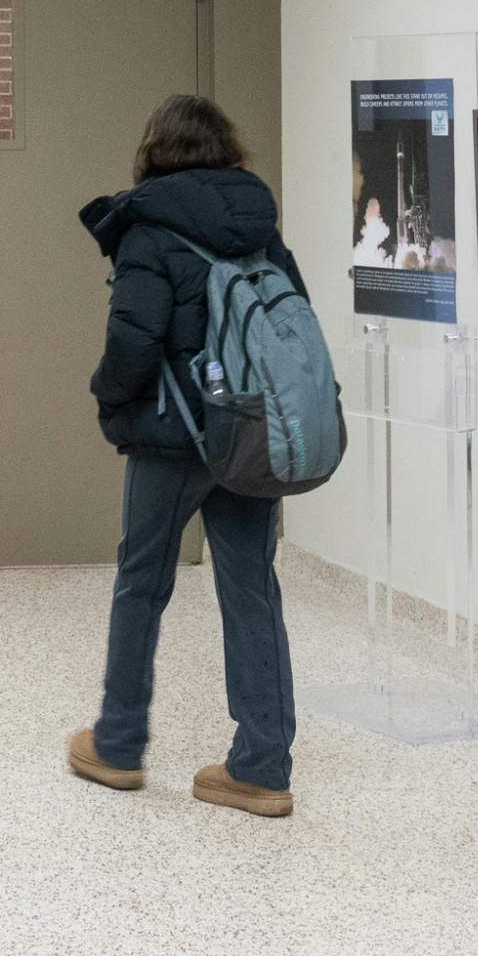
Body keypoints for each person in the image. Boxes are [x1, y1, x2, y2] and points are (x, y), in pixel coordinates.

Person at [65, 94, 305, 817]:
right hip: (253, 431)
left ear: (154, 152)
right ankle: (262, 766)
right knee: (252, 586)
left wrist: (107, 397)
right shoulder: (259, 226)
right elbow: (294, 321)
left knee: (142, 580)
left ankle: (118, 741)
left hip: (175, 437)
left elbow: (133, 344)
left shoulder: (149, 225)